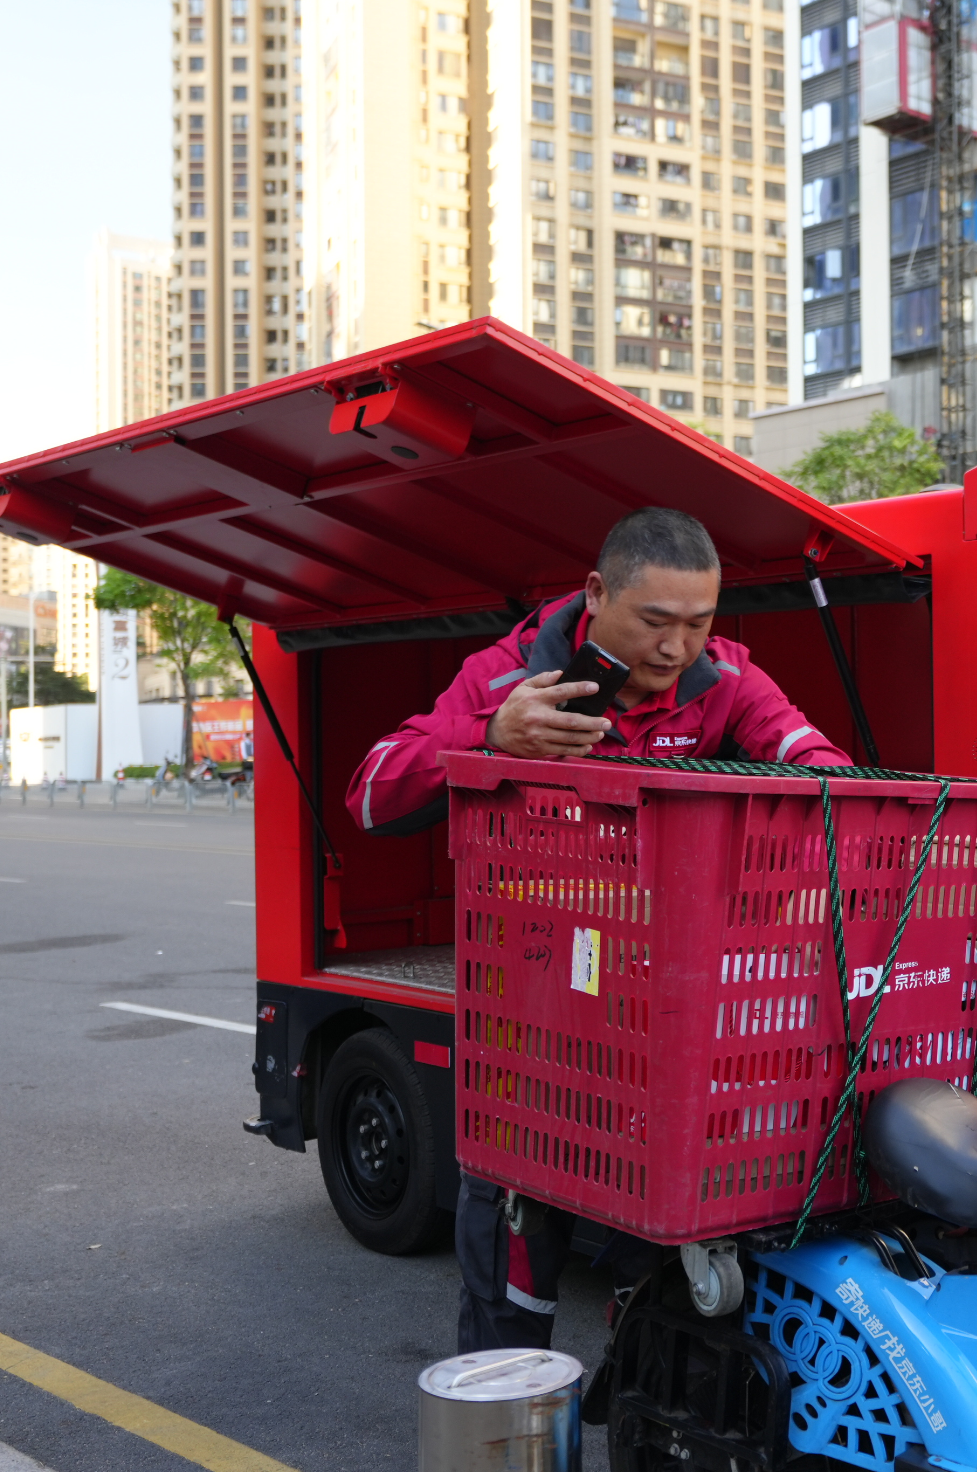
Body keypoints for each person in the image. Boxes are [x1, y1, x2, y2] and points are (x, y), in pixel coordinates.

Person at [344, 507, 851, 1354]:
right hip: (531, 1012)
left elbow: (824, 769)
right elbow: (368, 793)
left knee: (657, 1251)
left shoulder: (727, 681)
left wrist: (803, 857)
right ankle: (508, 1398)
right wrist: (489, 740)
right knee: (516, 1233)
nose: (675, 648)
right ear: (595, 595)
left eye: (697, 624)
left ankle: (646, 1397)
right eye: (655, 622)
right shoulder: (506, 677)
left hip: (659, 1023)